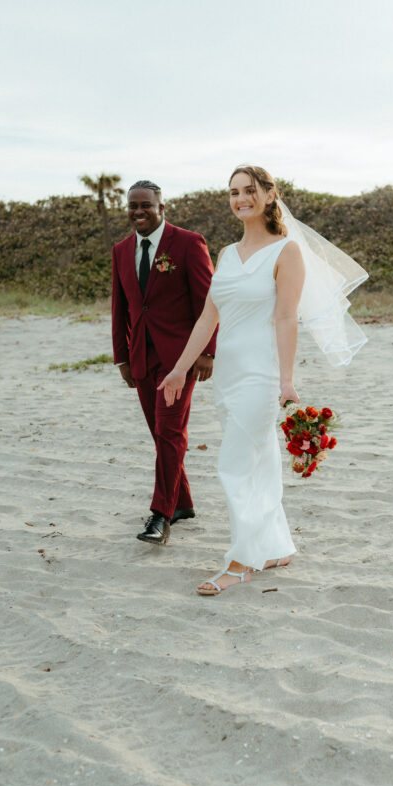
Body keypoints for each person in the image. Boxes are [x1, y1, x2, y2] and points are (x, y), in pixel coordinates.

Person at [160, 165, 304, 594]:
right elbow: (208, 317)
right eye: (233, 192)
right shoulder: (225, 254)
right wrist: (181, 367)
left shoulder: (286, 252)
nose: (240, 199)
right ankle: (276, 546)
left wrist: (286, 379)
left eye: (249, 190)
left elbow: (286, 317)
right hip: (228, 374)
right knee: (260, 458)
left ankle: (241, 561)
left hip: (261, 374)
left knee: (236, 465)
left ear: (268, 195)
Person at [111, 179, 217, 546]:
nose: (138, 212)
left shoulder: (188, 243)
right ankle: (183, 503)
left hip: (181, 357)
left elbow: (210, 301)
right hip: (141, 357)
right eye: (133, 206)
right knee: (160, 434)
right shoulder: (121, 250)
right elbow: (120, 308)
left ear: (161, 207)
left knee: (170, 431)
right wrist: (122, 357)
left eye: (146, 205)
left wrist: (208, 352)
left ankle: (161, 515)